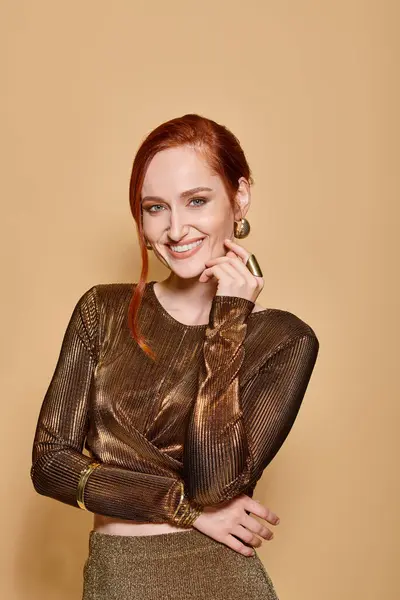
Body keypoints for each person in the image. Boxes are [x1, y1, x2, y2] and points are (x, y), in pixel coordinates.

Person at [30, 113, 319, 599]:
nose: (176, 228)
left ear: (239, 196)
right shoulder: (101, 311)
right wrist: (186, 510)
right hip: (117, 575)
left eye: (197, 201)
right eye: (155, 207)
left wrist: (229, 320)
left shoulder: (284, 340)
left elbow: (215, 486)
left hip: (219, 577)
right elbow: (50, 464)